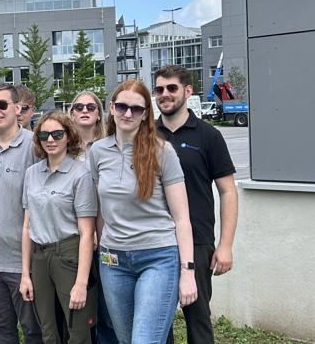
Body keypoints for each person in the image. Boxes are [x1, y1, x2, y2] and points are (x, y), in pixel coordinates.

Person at [89, 80, 197, 344]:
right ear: (111, 108)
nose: (128, 114)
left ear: (146, 113)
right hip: (113, 262)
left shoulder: (163, 152)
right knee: (126, 340)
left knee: (144, 340)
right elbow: (101, 210)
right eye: (122, 106)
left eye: (136, 109)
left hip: (158, 258)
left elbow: (182, 218)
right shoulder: (97, 152)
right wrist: (101, 245)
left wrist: (188, 272)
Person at [154, 65, 238, 344]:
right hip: (155, 241)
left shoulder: (208, 135)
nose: (164, 95)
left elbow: (227, 192)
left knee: (198, 319)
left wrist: (225, 245)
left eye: (171, 88)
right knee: (157, 322)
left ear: (187, 91)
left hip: (199, 241)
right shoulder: (146, 136)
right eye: (159, 89)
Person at [0, 83, 43, 344]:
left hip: (24, 258)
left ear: (17, 108)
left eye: (2, 105)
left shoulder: (35, 145)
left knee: (34, 330)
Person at [20, 111, 97, 343]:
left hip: (68, 254)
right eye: (44, 134)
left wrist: (81, 283)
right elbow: (26, 226)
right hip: (39, 255)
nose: (50, 139)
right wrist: (26, 274)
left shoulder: (80, 174)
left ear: (68, 136)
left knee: (78, 327)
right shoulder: (31, 174)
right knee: (47, 327)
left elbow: (86, 232)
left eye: (57, 134)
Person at [68, 91, 119, 344]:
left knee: (109, 309)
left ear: (99, 113)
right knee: (79, 307)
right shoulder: (61, 148)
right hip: (72, 238)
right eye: (79, 107)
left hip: (107, 237)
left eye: (91, 106)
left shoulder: (111, 146)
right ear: (72, 113)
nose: (85, 110)